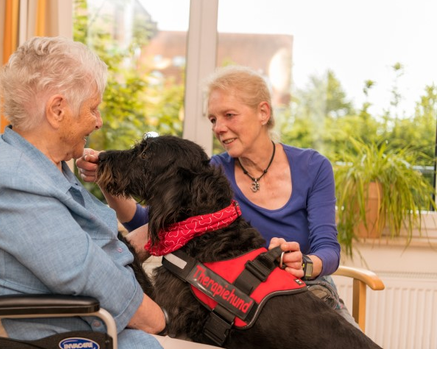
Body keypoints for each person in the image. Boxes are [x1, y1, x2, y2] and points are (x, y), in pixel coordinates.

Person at [79, 65, 355, 326]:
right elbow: (151, 222)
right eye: (213, 119)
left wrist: (304, 264)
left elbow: (328, 250)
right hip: (243, 301)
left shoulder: (313, 166)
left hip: (305, 290)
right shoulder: (212, 173)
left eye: (229, 115)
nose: (218, 127)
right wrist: (105, 179)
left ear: (263, 112)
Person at [0, 36, 165, 349]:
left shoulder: (43, 166)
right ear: (57, 110)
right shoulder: (11, 178)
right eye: (92, 109)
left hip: (105, 324)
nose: (98, 122)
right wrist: (163, 319)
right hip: (71, 337)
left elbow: (97, 244)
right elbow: (86, 273)